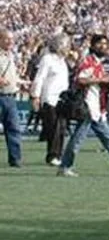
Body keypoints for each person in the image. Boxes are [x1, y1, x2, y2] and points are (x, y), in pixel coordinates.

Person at [57, 34, 109, 178]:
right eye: (100, 44)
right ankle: (65, 166)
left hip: (96, 108)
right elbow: (80, 80)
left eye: (105, 44)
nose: (103, 46)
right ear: (93, 45)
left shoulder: (99, 64)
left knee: (108, 138)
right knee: (77, 140)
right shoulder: (89, 62)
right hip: (88, 106)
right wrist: (102, 79)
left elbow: (101, 85)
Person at [30, 34, 71, 166]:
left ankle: (58, 154)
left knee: (62, 127)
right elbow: (39, 78)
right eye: (66, 45)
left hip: (62, 99)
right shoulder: (47, 59)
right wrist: (36, 96)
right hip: (50, 98)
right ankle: (52, 155)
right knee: (53, 128)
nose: (68, 48)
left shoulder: (63, 61)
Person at [0, 28, 25, 167]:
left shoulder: (10, 56)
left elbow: (12, 77)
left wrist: (22, 83)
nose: (11, 41)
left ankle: (15, 158)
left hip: (10, 97)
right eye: (7, 39)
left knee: (14, 128)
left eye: (11, 39)